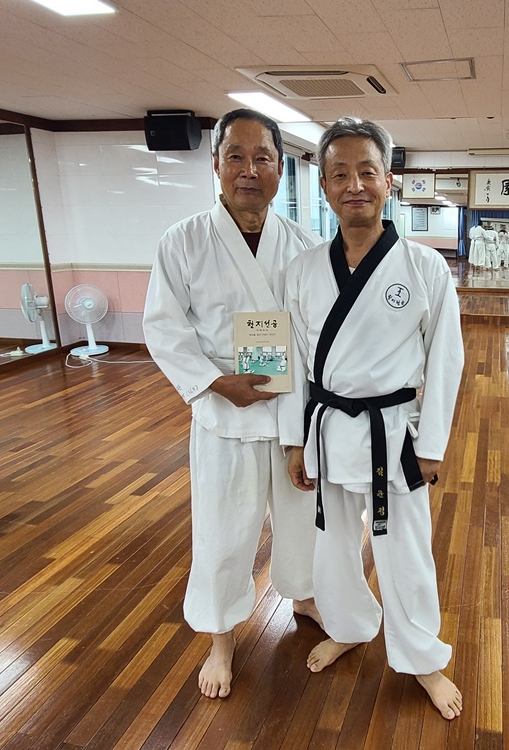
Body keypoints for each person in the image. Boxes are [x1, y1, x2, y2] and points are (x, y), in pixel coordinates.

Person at [280, 117, 465, 720]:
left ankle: (423, 658)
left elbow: (446, 360)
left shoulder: (424, 267)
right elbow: (295, 364)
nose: (354, 185)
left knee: (404, 553)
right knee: (332, 547)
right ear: (324, 185)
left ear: (389, 180)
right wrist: (295, 440)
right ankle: (349, 626)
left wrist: (431, 444)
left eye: (367, 171)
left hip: (393, 435)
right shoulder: (303, 270)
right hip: (329, 431)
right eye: (339, 174)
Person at [142, 108, 322, 700]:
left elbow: (315, 334)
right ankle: (220, 636)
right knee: (223, 532)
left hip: (290, 411)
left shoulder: (304, 243)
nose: (249, 170)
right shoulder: (184, 241)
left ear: (280, 168)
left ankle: (305, 596)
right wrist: (218, 383)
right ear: (215, 165)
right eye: (236, 157)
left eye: (262, 157)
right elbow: (164, 328)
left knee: (302, 520)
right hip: (225, 413)